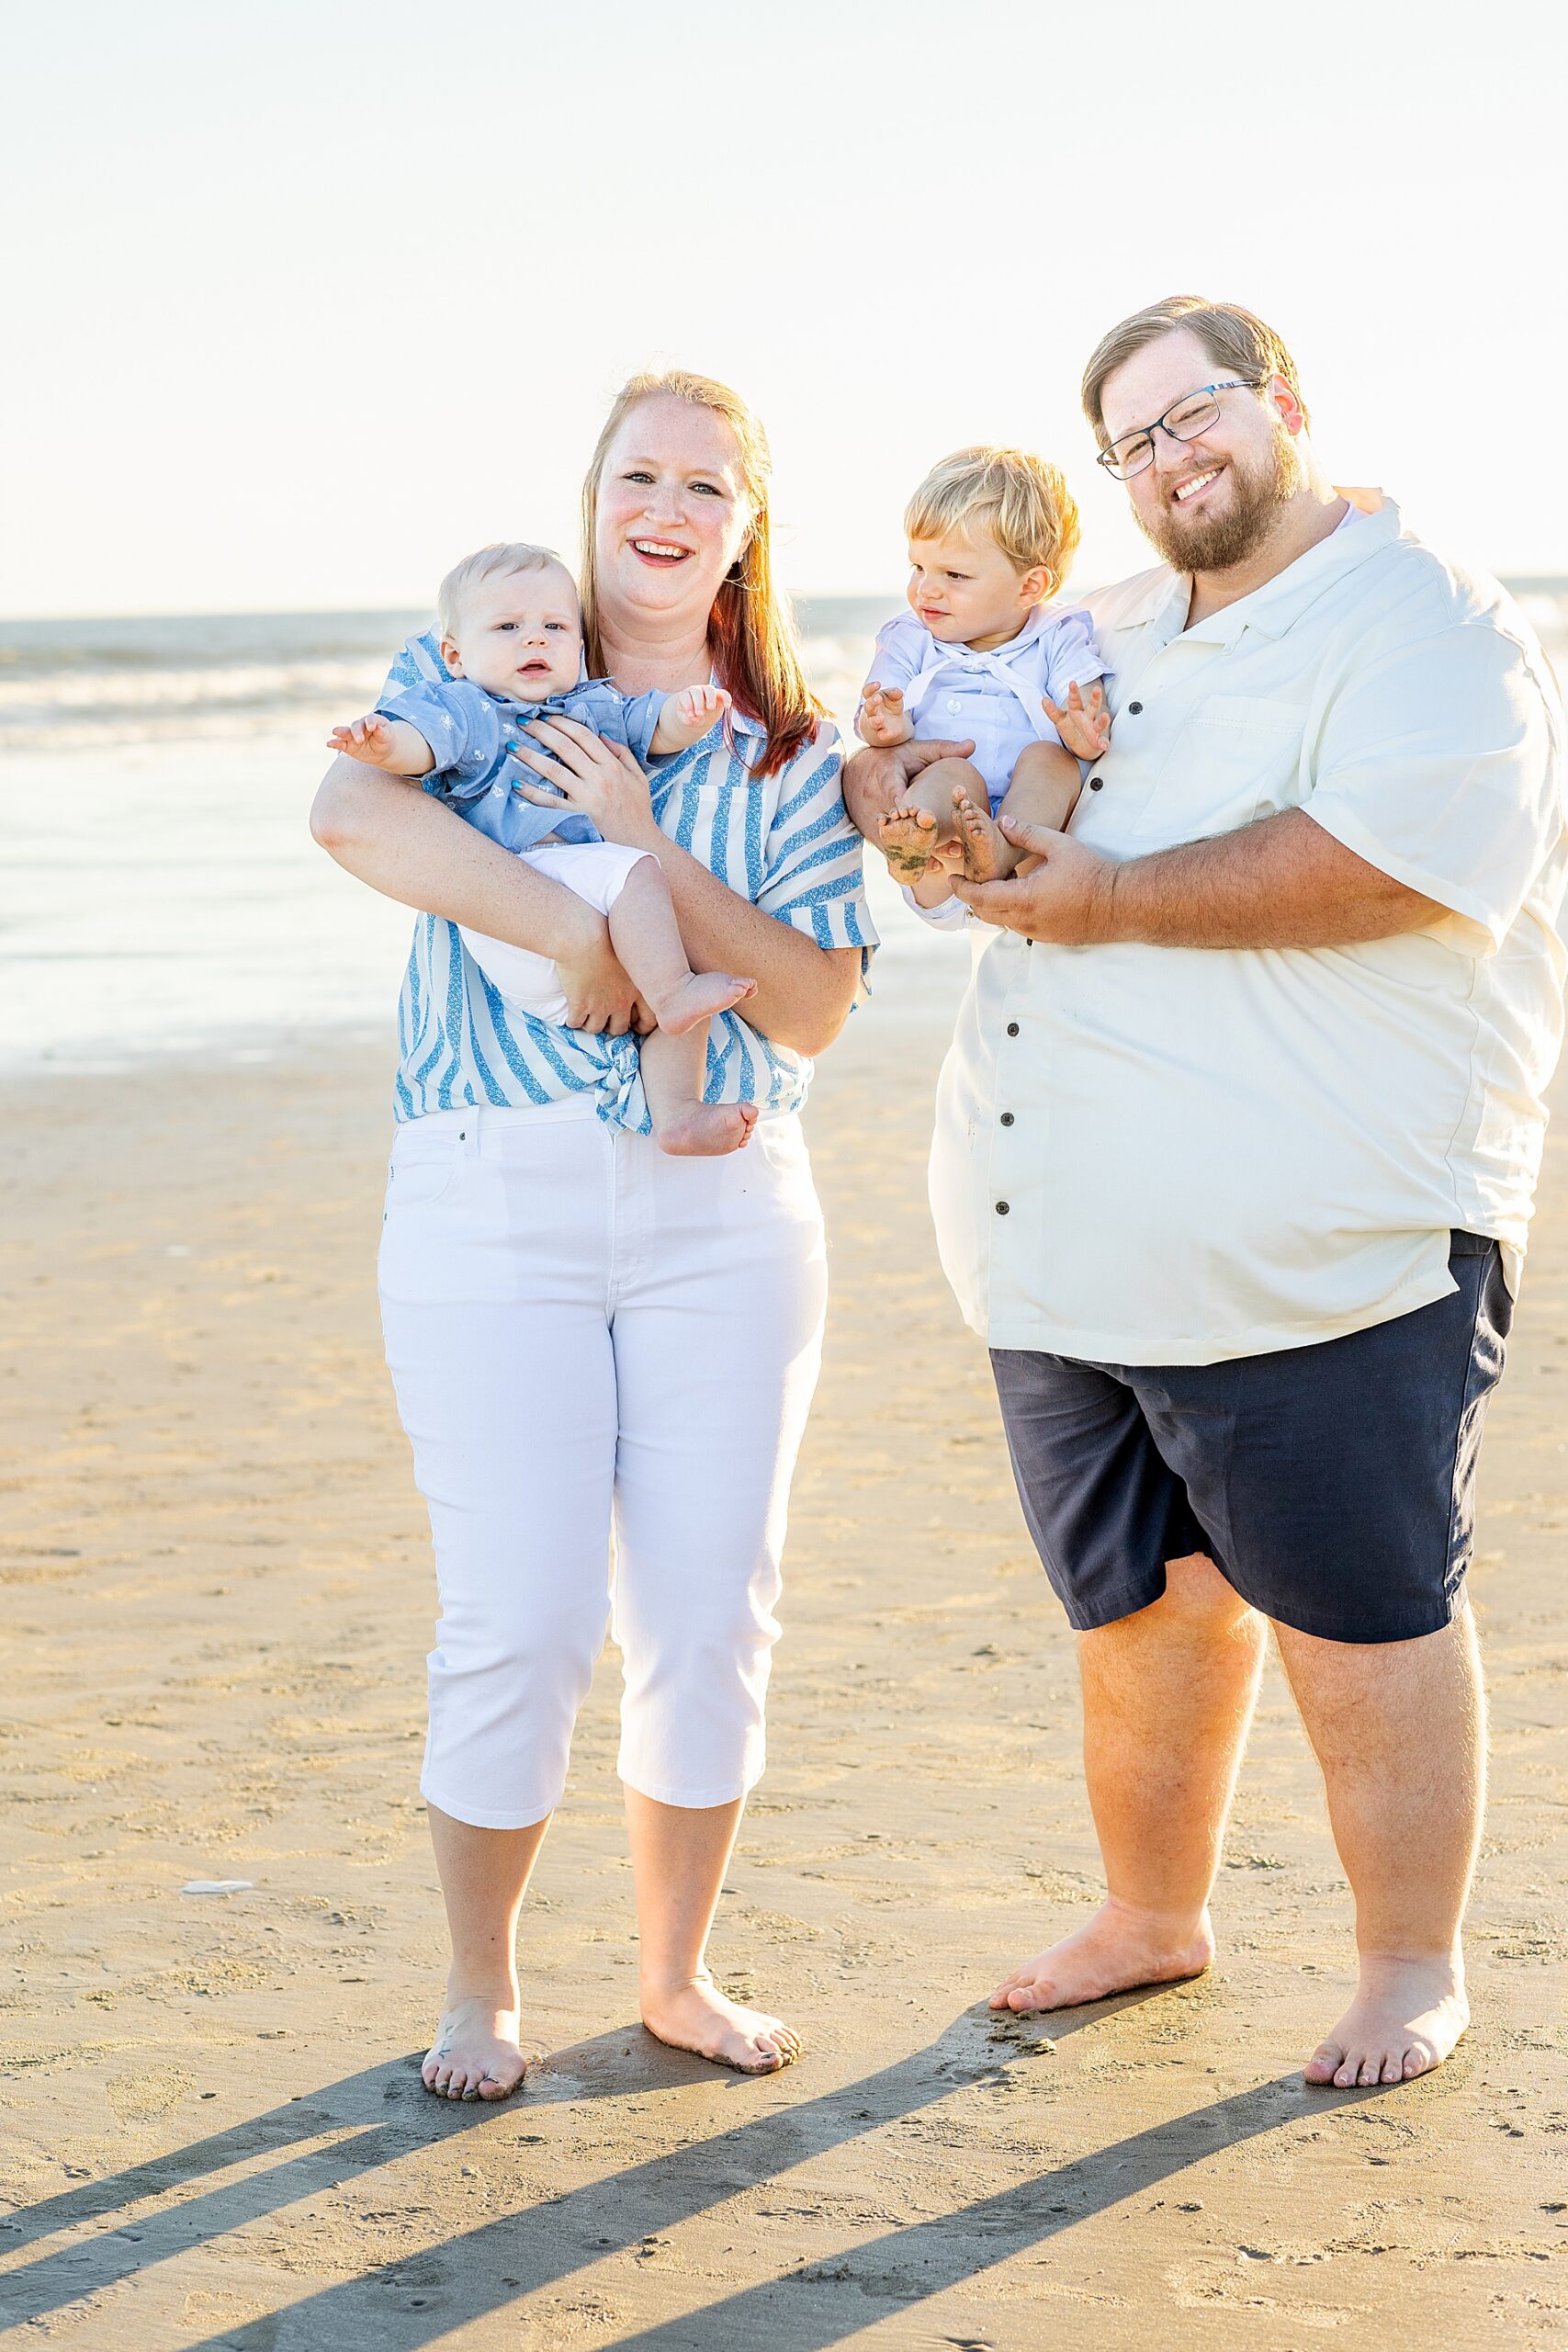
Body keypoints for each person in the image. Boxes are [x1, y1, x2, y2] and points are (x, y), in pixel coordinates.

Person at [845, 295, 1565, 2091]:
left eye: (1197, 413)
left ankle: (1407, 1962)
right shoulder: (1096, 618)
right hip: (1057, 1239)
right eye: (1132, 438)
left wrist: (1103, 897)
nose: (1170, 456)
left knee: (1358, 1609)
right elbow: (977, 811)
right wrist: (905, 797)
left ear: (1283, 405)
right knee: (1138, 1606)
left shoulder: (1421, 620)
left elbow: (1382, 864)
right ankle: (1147, 1914)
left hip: (1315, 1232)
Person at [310, 368, 874, 2097]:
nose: (668, 508)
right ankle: (480, 1991)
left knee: (709, 1611)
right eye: (641, 473)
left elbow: (819, 1008)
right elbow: (349, 813)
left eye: (707, 485)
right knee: (522, 1615)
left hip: (726, 1207)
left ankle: (676, 1977)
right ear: (594, 491)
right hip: (495, 1193)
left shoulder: (790, 750)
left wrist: (649, 865)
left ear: (746, 523)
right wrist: (576, 937)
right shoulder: (475, 665)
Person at [330, 539, 757, 1155]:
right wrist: (380, 743)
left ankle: (678, 1115)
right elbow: (422, 744)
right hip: (518, 904)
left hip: (574, 909)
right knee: (641, 874)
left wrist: (688, 715)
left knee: (682, 973)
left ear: (579, 647)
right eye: (507, 627)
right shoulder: (469, 708)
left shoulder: (592, 706)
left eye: (555, 627)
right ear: (454, 654)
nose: (535, 640)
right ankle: (671, 996)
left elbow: (651, 727)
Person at [856, 446, 1111, 902]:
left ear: (1030, 587)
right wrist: (885, 725)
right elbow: (877, 721)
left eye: (954, 574)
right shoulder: (909, 637)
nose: (924, 589)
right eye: (918, 566)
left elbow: (1084, 704)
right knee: (952, 771)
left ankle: (1003, 850)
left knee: (1050, 761)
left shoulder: (1057, 632)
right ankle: (913, 838)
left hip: (1025, 809)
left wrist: (1082, 733)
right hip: (946, 835)